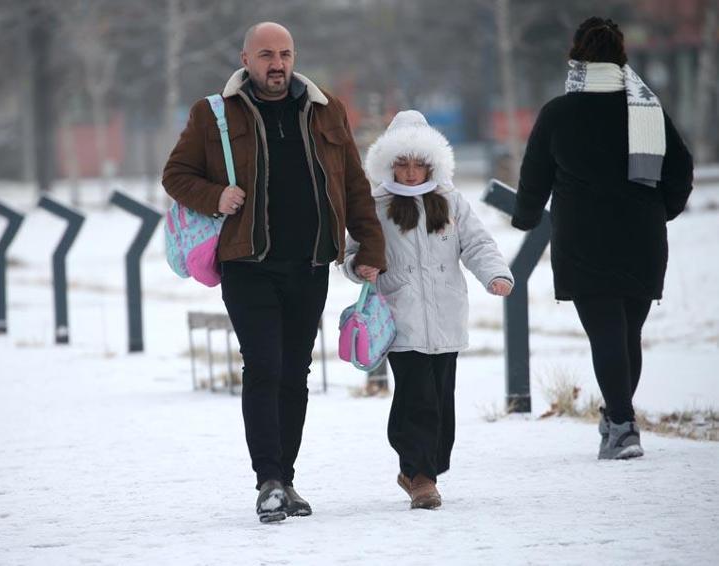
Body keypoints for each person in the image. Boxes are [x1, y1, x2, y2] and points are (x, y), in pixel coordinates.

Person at [162, 22, 386, 523]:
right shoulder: (214, 113)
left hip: (309, 264)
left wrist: (370, 244)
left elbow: (353, 184)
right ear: (246, 58)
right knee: (264, 365)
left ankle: (285, 478)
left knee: (295, 372)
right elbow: (175, 175)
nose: (277, 64)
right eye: (266, 54)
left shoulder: (326, 109)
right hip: (248, 263)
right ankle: (267, 481)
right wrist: (214, 196)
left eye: (284, 53)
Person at [512, 17, 693, 460]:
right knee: (628, 333)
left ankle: (623, 424)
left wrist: (526, 217)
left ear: (576, 58)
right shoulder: (646, 110)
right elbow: (681, 170)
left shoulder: (558, 113)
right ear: (621, 58)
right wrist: (660, 211)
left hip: (583, 239)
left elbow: (534, 175)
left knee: (608, 335)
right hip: (642, 239)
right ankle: (617, 419)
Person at [343, 110, 514, 509]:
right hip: (400, 321)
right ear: (388, 164)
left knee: (440, 399)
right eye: (401, 164)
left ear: (434, 163)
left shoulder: (451, 202)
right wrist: (359, 266)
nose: (410, 173)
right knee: (417, 397)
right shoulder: (377, 205)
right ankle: (421, 476)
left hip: (446, 318)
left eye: (419, 164)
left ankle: (423, 469)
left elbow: (477, 244)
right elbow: (352, 252)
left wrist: (495, 275)